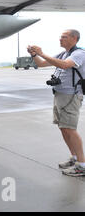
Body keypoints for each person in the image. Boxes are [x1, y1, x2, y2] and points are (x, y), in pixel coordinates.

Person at [28, 29, 85, 176]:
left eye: (64, 37)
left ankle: (82, 165)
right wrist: (35, 55)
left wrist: (42, 52)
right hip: (60, 95)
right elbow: (41, 64)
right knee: (63, 128)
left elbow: (65, 65)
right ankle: (74, 158)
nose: (60, 39)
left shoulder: (79, 53)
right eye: (60, 37)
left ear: (74, 38)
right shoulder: (63, 53)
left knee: (70, 129)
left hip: (71, 96)